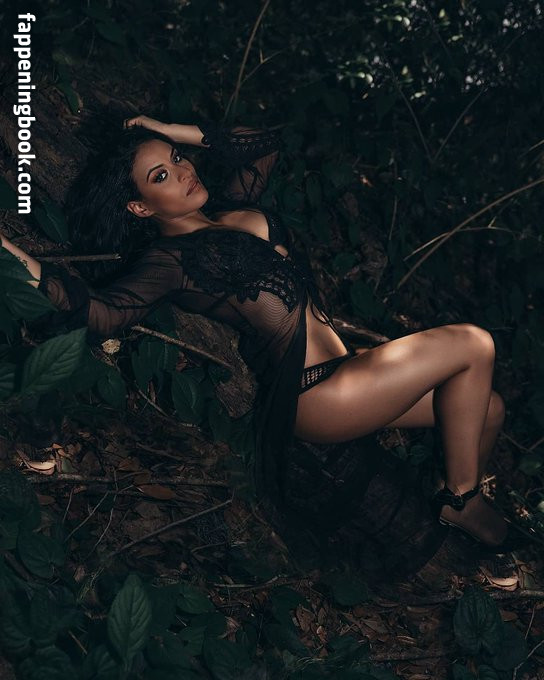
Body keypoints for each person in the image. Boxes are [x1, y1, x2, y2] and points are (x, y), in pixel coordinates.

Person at [0, 114, 529, 577]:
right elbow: (99, 313)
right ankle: (462, 501)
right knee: (473, 343)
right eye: (160, 176)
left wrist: (162, 128)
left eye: (177, 159)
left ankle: (455, 492)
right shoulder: (171, 261)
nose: (182, 171)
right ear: (140, 208)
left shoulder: (235, 207)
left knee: (488, 409)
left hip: (353, 373)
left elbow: (263, 142)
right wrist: (9, 253)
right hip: (317, 397)